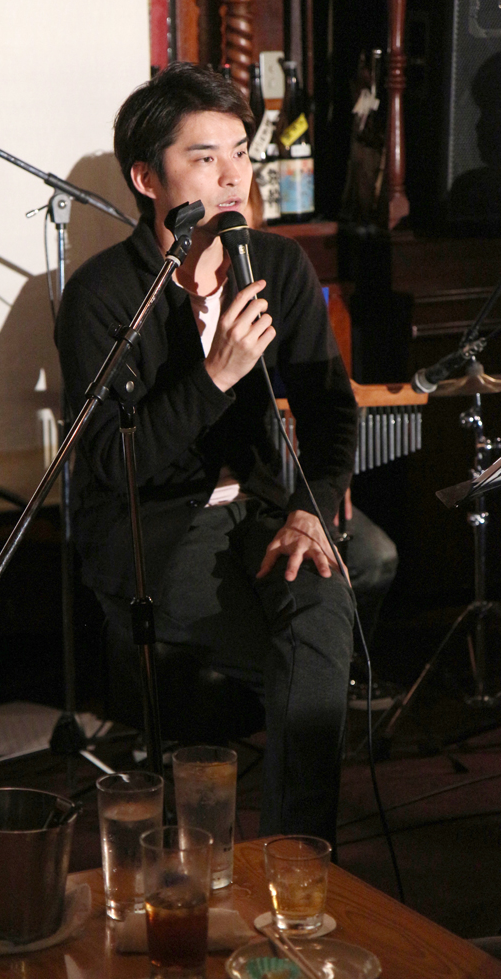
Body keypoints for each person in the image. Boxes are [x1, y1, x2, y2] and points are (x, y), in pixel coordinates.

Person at [56, 63, 357, 844]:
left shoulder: (275, 264)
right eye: (204, 157)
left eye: (240, 153)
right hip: (150, 523)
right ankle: (295, 857)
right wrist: (216, 375)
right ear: (146, 178)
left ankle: (295, 862)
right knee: (308, 658)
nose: (232, 176)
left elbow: (330, 408)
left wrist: (310, 509)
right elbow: (109, 464)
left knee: (322, 603)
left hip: (262, 507)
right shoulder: (102, 296)